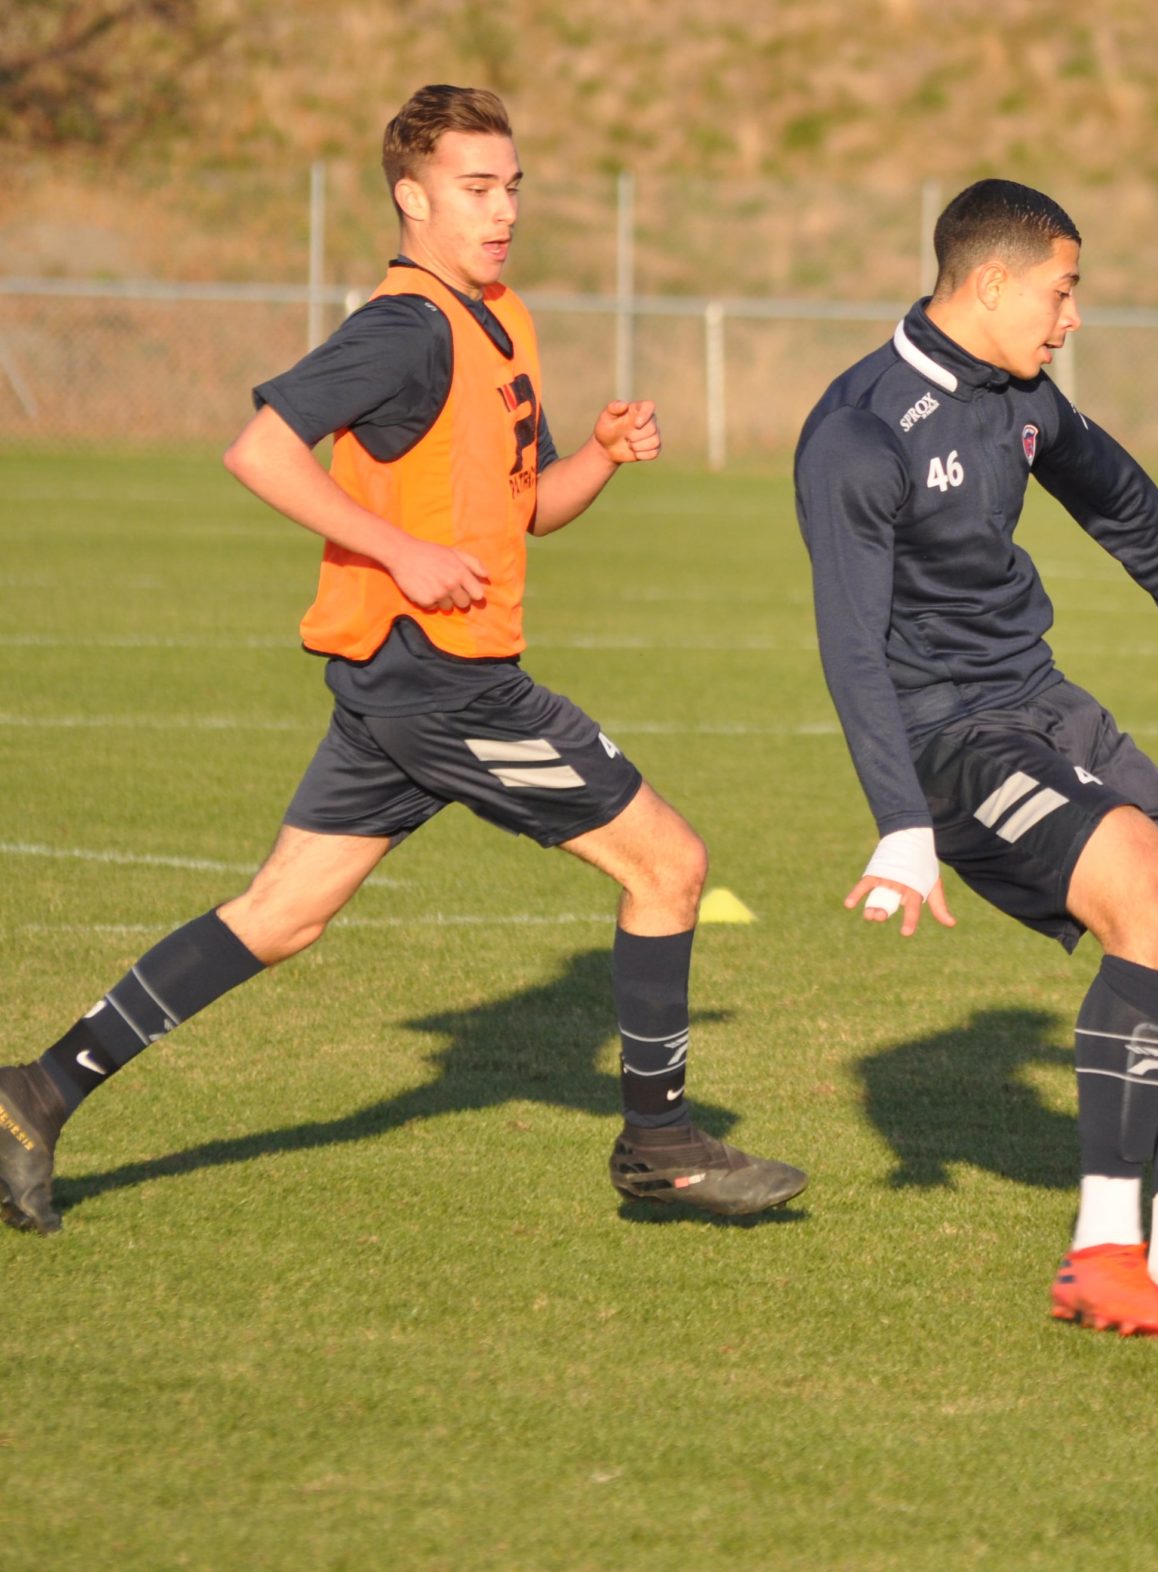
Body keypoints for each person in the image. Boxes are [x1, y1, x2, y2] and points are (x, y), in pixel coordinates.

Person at [0, 85, 805, 1235]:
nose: (504, 210)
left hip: (400, 682)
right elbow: (260, 447)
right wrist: (397, 548)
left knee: (279, 915)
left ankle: (34, 1092)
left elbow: (526, 514)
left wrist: (604, 457)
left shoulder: (501, 320)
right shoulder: (406, 323)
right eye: (478, 189)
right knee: (669, 865)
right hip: (447, 680)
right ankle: (663, 1148)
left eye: (514, 186)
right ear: (413, 197)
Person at [795, 178, 1158, 1335]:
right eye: (1062, 290)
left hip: (1045, 702)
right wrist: (901, 822)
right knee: (1152, 906)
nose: (1073, 316)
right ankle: (1103, 1252)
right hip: (946, 735)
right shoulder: (856, 434)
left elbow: (1122, 499)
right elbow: (850, 644)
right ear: (992, 282)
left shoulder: (1021, 398)